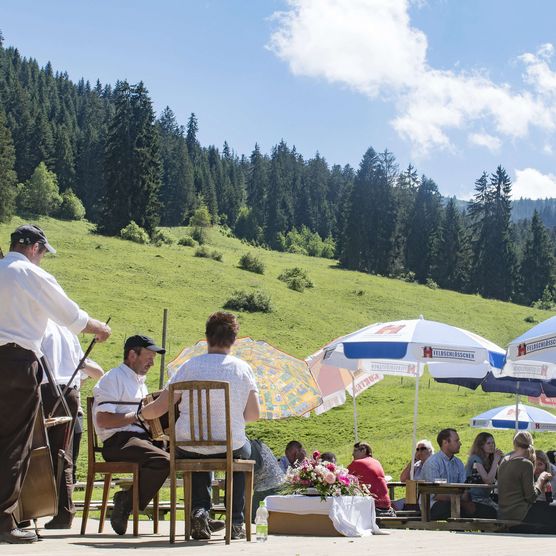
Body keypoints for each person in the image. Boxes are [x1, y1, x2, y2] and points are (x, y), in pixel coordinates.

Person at [0, 224, 110, 544]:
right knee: (15, 442)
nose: (43, 259)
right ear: (35, 248)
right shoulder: (29, 274)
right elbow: (69, 314)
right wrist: (99, 328)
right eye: (44, 253)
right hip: (17, 364)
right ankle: (5, 519)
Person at [141, 311, 261, 540]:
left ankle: (200, 511)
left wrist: (141, 412)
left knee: (196, 452)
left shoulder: (188, 367)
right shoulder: (242, 369)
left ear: (207, 337)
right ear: (233, 340)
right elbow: (254, 414)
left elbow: (158, 409)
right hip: (231, 444)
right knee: (241, 454)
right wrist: (233, 419)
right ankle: (236, 521)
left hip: (187, 443)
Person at [93, 335, 170, 536]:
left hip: (140, 440)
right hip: (117, 442)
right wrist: (138, 415)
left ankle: (197, 516)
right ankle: (126, 501)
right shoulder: (112, 378)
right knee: (163, 461)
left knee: (186, 453)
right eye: (148, 356)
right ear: (132, 355)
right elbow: (102, 419)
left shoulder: (140, 382)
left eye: (154, 358)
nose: (153, 362)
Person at [40, 320, 104, 529]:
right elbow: (80, 363)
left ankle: (24, 512)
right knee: (62, 455)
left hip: (44, 390)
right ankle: (64, 512)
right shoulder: (67, 331)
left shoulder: (37, 324)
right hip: (69, 393)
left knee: (31, 451)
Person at [421, 428, 496, 520]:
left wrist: (466, 500)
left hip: (456, 502)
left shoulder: (458, 463)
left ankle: (486, 533)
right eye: (456, 441)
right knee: (454, 508)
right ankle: (460, 529)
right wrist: (464, 503)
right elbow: (436, 495)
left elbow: (464, 489)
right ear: (445, 443)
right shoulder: (433, 463)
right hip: (432, 506)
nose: (460, 443)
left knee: (489, 511)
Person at [498, 431, 556, 533]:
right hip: (520, 514)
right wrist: (541, 479)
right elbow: (531, 497)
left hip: (503, 512)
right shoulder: (526, 464)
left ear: (514, 444)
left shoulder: (505, 460)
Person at [348, 442, 394, 515]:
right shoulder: (376, 462)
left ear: (363, 450)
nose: (353, 454)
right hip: (386, 506)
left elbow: (343, 477)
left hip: (374, 507)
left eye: (355, 451)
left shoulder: (358, 463)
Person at [249, 438, 285, 522]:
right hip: (281, 483)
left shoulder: (248, 449)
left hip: (265, 488)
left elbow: (250, 473)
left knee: (251, 519)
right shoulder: (257, 444)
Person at [465, 432, 503, 511]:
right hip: (473, 499)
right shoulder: (475, 458)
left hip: (486, 498)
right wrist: (495, 461)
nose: (492, 445)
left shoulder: (490, 460)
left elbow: (501, 478)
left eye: (493, 443)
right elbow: (488, 480)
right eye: (488, 443)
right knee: (500, 513)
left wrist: (502, 461)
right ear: (481, 446)